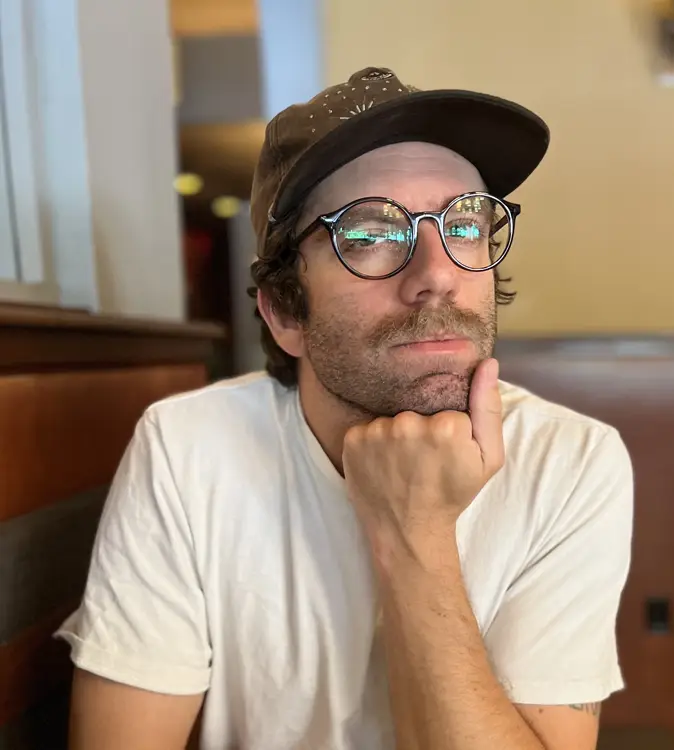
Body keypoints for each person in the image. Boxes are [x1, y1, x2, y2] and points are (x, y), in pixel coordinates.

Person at [58, 67, 634, 750]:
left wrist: (416, 533)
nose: (439, 274)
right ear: (284, 312)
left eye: (465, 224)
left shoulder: (570, 461)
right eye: (367, 236)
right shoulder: (188, 448)